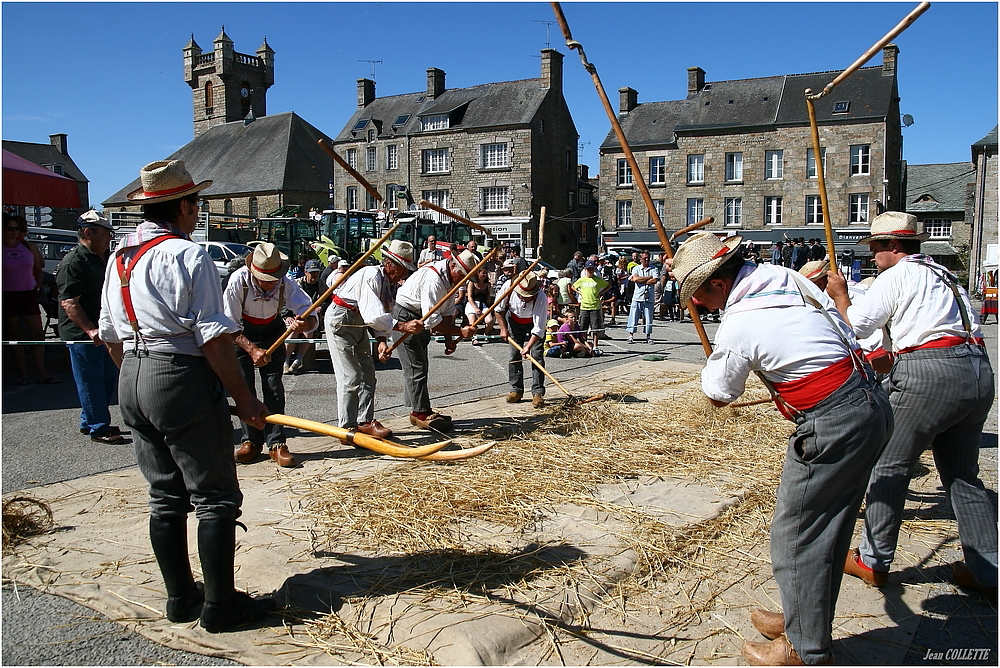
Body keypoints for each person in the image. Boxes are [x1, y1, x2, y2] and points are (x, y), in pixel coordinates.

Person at [669, 231, 892, 666]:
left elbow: (719, 393)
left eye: (695, 294)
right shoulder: (783, 276)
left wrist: (716, 358)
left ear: (717, 283)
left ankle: (803, 650)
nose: (695, 305)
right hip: (868, 400)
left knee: (797, 539)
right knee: (829, 529)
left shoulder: (739, 322)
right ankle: (801, 620)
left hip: (834, 421)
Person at [97, 159, 274, 632]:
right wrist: (246, 398)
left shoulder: (119, 257)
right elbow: (213, 339)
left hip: (132, 373)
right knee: (215, 496)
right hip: (177, 373)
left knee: (165, 496)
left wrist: (138, 380)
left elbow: (110, 334)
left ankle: (180, 599)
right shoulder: (187, 255)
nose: (198, 212)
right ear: (182, 206)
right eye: (196, 203)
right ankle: (220, 607)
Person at [826, 211, 997, 601]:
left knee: (889, 466)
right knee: (963, 476)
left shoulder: (899, 275)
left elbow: (859, 325)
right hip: (976, 370)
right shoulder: (943, 274)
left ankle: (872, 560)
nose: (872, 257)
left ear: (893, 246)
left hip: (930, 374)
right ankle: (987, 568)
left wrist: (840, 296)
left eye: (875, 249)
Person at [224, 243, 317, 468]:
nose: (271, 282)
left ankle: (276, 442)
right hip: (241, 333)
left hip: (272, 331)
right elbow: (228, 325)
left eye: (274, 277)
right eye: (266, 278)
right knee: (244, 389)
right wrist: (252, 349)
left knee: (274, 387)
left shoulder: (285, 282)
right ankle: (251, 441)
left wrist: (306, 321)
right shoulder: (238, 281)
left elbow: (310, 312)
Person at [327, 240, 422, 440]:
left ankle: (364, 421)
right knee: (350, 377)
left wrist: (381, 342)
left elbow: (381, 314)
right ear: (389, 264)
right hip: (341, 320)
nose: (404, 274)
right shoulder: (371, 275)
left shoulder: (388, 283)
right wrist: (403, 326)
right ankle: (347, 427)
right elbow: (374, 316)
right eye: (402, 269)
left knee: (368, 374)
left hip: (358, 321)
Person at [56, 210, 123, 444]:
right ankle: (99, 426)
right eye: (105, 233)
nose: (108, 238)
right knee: (90, 380)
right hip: (83, 334)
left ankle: (90, 419)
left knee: (106, 377)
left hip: (103, 328)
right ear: (88, 232)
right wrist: (89, 330)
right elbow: (69, 303)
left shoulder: (102, 257)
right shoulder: (74, 261)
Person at [392, 249, 479, 431]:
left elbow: (446, 313)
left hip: (419, 316)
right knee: (416, 366)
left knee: (420, 365)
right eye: (461, 275)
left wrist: (450, 339)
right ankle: (421, 412)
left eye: (465, 277)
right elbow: (433, 321)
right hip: (406, 315)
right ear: (453, 265)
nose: (461, 280)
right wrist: (460, 332)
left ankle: (418, 411)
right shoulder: (435, 279)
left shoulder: (450, 280)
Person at [3, 213, 58, 384]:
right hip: (8, 294)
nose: (13, 232)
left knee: (37, 334)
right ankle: (22, 373)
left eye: (16, 228)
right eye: (9, 229)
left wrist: (38, 287)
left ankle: (41, 372)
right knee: (15, 334)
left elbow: (39, 269)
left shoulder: (27, 246)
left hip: (28, 293)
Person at [497, 272, 548, 407]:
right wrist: (503, 328)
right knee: (514, 356)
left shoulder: (541, 296)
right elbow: (498, 309)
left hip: (532, 322)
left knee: (537, 356)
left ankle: (537, 393)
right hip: (513, 321)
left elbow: (539, 328)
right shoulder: (508, 286)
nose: (526, 299)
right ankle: (516, 390)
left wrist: (528, 347)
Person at [284, 259, 323, 374]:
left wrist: (320, 308)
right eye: (312, 272)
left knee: (308, 332)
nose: (314, 275)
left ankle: (297, 362)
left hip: (311, 318)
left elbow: (327, 301)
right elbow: (284, 301)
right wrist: (287, 316)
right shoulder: (295, 284)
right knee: (294, 330)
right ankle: (285, 362)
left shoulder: (321, 285)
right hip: (292, 316)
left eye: (317, 272)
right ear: (305, 272)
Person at [571, 260, 609, 352]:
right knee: (583, 327)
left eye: (592, 268)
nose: (591, 270)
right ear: (585, 269)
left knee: (595, 328)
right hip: (584, 306)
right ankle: (585, 344)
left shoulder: (598, 279)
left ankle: (595, 345)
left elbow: (608, 286)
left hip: (595, 306)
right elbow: (573, 286)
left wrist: (600, 293)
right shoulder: (582, 279)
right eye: (589, 269)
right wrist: (579, 292)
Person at [626, 251, 659, 344]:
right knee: (634, 316)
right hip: (637, 296)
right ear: (641, 259)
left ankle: (648, 336)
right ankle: (630, 335)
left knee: (648, 317)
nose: (647, 260)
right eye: (645, 258)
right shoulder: (636, 268)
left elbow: (654, 280)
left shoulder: (654, 269)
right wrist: (648, 278)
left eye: (648, 258)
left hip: (649, 297)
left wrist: (642, 281)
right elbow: (635, 279)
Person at [464, 267, 494, 345]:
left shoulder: (487, 284)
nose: (485, 275)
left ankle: (486, 334)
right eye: (483, 273)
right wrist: (475, 308)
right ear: (478, 273)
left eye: (486, 273)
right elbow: (469, 297)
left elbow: (487, 297)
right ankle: (474, 337)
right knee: (473, 321)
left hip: (483, 304)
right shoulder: (472, 283)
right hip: (472, 303)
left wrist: (489, 308)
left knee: (490, 321)